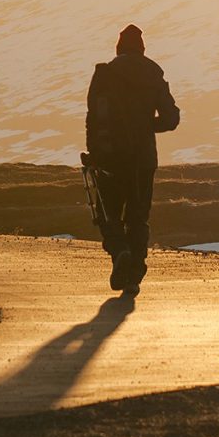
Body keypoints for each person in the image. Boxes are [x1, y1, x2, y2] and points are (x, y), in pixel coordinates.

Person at [84, 23, 180, 294]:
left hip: (110, 158)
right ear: (142, 49)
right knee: (138, 216)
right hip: (144, 159)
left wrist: (93, 153)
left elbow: (92, 118)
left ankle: (120, 251)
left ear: (118, 48)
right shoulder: (154, 74)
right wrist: (147, 127)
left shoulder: (104, 75)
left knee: (108, 213)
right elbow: (172, 119)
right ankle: (135, 272)